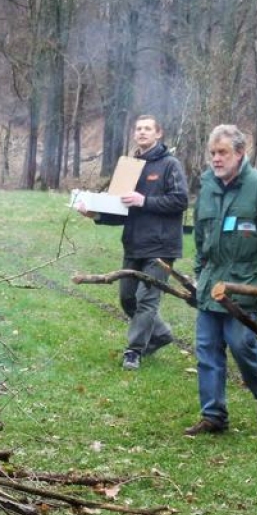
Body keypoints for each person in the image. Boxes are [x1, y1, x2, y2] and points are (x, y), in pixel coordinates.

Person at [185, 124, 257, 436]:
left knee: (241, 344)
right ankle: (213, 417)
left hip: (245, 285)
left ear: (240, 153)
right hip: (212, 285)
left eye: (223, 152)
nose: (216, 159)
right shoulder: (207, 187)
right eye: (212, 153)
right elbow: (200, 238)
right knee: (207, 350)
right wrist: (200, 275)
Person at [76, 115, 189, 370]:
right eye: (138, 128)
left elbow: (181, 200)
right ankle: (160, 334)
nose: (142, 132)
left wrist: (144, 201)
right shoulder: (128, 166)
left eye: (147, 128)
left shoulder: (170, 165)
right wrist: (95, 214)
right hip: (134, 243)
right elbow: (119, 210)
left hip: (161, 246)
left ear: (158, 133)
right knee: (128, 298)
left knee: (148, 299)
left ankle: (134, 351)